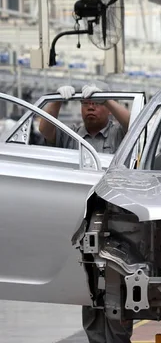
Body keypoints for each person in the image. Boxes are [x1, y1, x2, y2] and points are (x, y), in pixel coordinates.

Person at [38, 83, 133, 343]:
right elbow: (44, 129)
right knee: (89, 289)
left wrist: (109, 98)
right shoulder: (72, 135)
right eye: (86, 103)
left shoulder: (117, 135)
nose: (90, 107)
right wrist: (56, 100)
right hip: (82, 224)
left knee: (116, 291)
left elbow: (135, 125)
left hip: (117, 225)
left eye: (97, 103)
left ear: (108, 110)